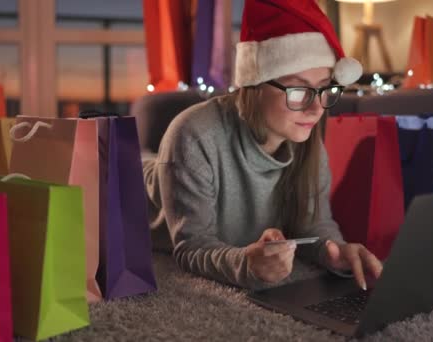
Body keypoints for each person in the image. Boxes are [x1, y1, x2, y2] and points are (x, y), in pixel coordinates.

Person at [143, 0, 382, 290]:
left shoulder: (306, 140)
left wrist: (335, 251)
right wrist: (246, 264)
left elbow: (314, 225)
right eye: (299, 90)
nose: (316, 109)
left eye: (324, 88)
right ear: (254, 85)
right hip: (122, 184)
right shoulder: (193, 136)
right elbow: (191, 247)